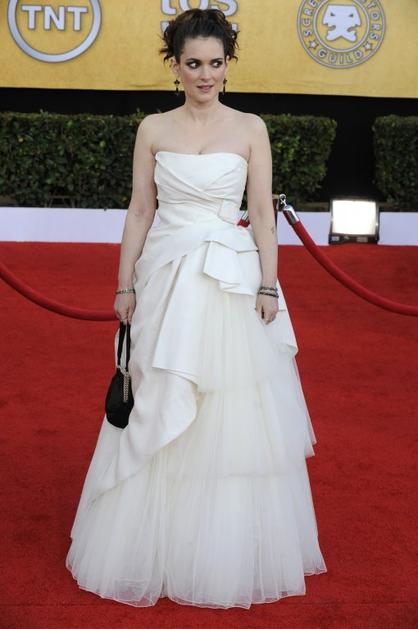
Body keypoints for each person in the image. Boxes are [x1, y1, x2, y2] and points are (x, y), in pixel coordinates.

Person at [65, 8, 327, 609]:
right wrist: (124, 285)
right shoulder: (153, 129)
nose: (205, 75)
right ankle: (150, 545)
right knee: (160, 393)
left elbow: (261, 216)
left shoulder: (251, 128)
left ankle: (215, 551)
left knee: (229, 413)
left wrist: (269, 285)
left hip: (229, 280)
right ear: (175, 67)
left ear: (228, 65)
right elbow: (140, 210)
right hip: (166, 276)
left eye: (215, 63)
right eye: (193, 64)